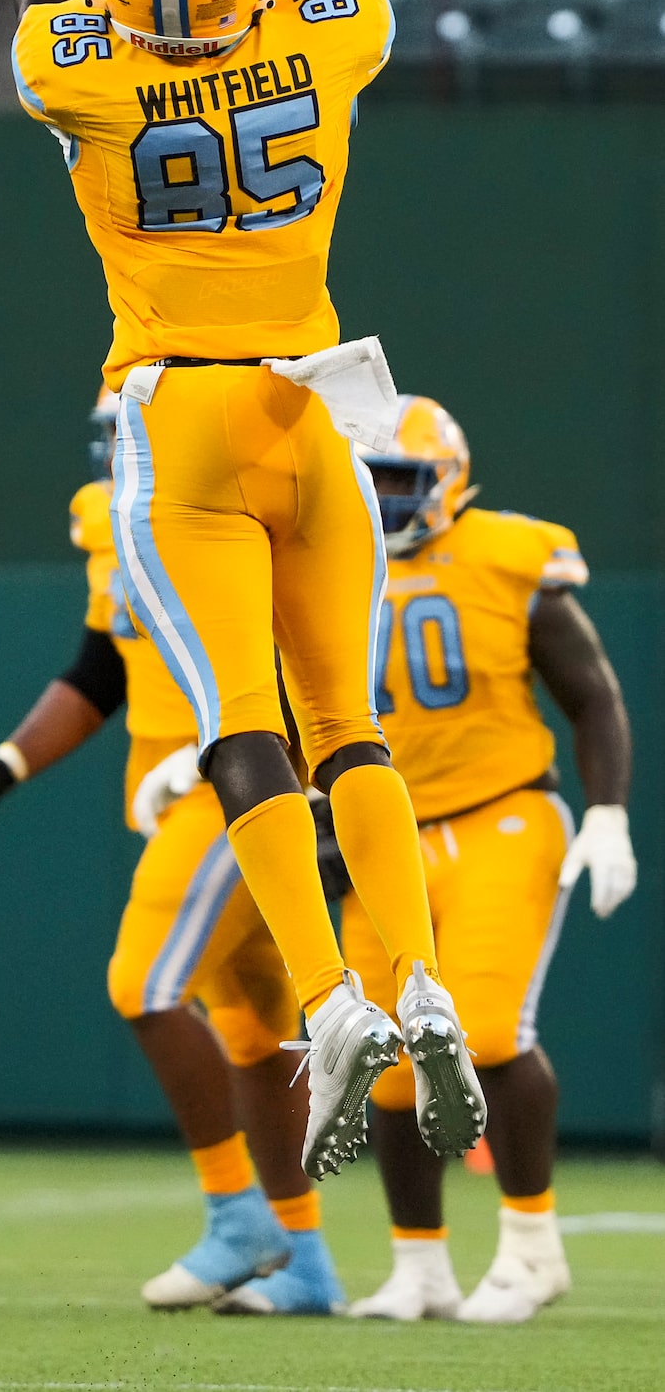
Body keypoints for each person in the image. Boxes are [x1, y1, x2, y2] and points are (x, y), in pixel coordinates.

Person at [8, 0, 487, 1182]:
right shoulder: (317, 29)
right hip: (316, 416)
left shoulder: (92, 73)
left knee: (242, 730)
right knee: (356, 729)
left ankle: (339, 1003)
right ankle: (412, 978)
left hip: (184, 423)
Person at [0, 390, 346, 1315]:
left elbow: (316, 656)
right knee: (249, 1030)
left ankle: (237, 1213)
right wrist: (2, 769)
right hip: (175, 797)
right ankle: (305, 1261)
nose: (121, 456)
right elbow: (102, 665)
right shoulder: (107, 527)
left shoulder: (248, 517)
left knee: (146, 986)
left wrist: (285, 774)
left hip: (237, 790)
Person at [340, 397, 635, 1325]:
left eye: (403, 480)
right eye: (373, 480)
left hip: (504, 815)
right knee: (380, 1061)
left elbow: (592, 697)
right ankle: (420, 1267)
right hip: (388, 836)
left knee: (490, 1031)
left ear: (450, 482)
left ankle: (531, 1246)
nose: (387, 500)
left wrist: (610, 814)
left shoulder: (507, 557)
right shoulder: (330, 565)